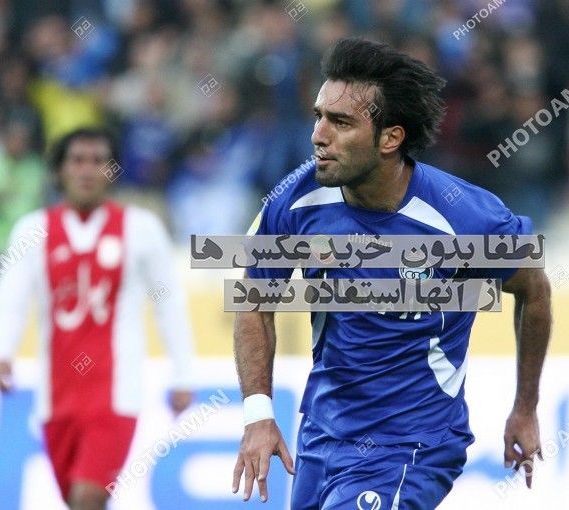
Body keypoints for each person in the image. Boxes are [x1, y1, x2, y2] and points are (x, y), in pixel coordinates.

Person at [231, 38, 552, 509]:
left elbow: (534, 291)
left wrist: (525, 407)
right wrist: (259, 414)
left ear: (390, 139)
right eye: (319, 116)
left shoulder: (464, 218)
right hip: (322, 436)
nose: (318, 135)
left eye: (341, 122)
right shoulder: (295, 200)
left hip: (413, 443)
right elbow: (256, 302)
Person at [0, 127, 195, 510]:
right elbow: (12, 298)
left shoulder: (141, 229)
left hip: (115, 396)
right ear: (60, 171)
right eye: (77, 161)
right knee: (76, 500)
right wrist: (1, 352)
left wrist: (182, 374)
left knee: (88, 497)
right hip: (55, 399)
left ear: (112, 170)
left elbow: (168, 303)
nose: (87, 170)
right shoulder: (33, 230)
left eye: (98, 161)